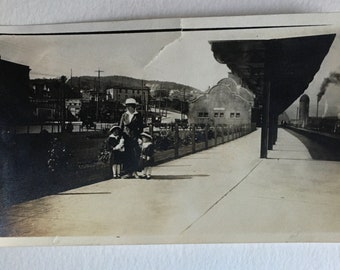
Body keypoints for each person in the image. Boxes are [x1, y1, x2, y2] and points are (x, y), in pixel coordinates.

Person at [119, 98, 144, 178]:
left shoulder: (138, 115)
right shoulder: (124, 115)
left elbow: (141, 127)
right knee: (127, 155)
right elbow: (121, 127)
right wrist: (121, 138)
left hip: (135, 137)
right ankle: (128, 172)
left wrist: (139, 137)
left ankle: (135, 172)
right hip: (126, 138)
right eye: (127, 106)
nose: (128, 108)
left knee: (135, 154)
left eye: (129, 106)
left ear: (133, 106)